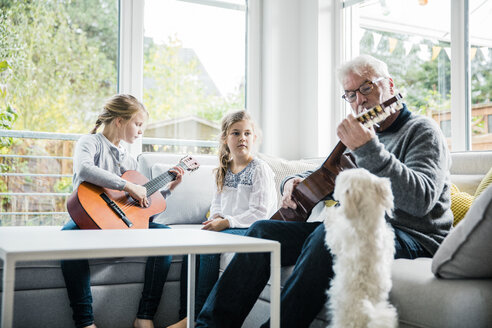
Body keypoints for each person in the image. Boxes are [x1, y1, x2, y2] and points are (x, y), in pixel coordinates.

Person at [195, 54, 453, 328]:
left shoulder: (422, 130)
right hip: (357, 227)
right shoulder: (364, 134)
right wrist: (290, 183)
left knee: (331, 229)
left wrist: (368, 150)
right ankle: (209, 325)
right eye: (350, 95)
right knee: (263, 231)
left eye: (366, 88)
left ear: (388, 84)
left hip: (413, 235)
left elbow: (420, 200)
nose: (359, 101)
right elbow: (324, 175)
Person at [61, 94, 185, 328]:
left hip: (119, 222)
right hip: (86, 218)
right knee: (68, 242)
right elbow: (85, 169)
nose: (140, 131)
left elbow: (139, 205)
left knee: (166, 235)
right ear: (119, 121)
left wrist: (168, 188)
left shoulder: (129, 159)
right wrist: (128, 185)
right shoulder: (89, 143)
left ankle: (144, 316)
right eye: (138, 124)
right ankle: (85, 322)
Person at [169, 110, 278, 328]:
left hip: (252, 229)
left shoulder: (260, 169)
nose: (242, 138)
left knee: (210, 246)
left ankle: (198, 316)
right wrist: (216, 217)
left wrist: (226, 222)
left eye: (247, 133)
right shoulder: (225, 169)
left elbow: (260, 212)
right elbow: (217, 204)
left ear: (254, 138)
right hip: (229, 226)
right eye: (236, 133)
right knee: (191, 244)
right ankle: (186, 314)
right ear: (225, 138)